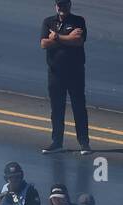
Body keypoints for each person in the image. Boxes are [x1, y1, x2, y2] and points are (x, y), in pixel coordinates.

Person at [39, 0, 90, 154]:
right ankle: (57, 143)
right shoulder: (48, 22)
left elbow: (78, 41)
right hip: (55, 73)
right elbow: (43, 44)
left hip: (75, 72)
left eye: (65, 5)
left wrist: (57, 38)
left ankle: (84, 143)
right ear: (56, 6)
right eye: (59, 5)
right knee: (57, 108)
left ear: (70, 5)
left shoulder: (78, 20)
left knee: (79, 107)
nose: (62, 8)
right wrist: (67, 38)